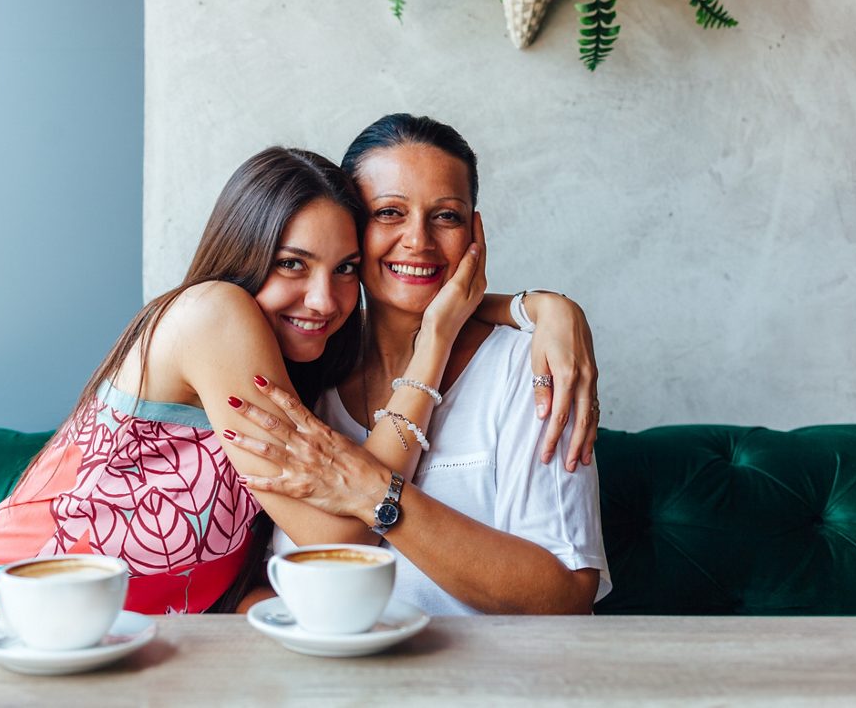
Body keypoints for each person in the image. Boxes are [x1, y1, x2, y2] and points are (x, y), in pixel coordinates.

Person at [0, 144, 599, 618]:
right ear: (245, 250)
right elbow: (344, 528)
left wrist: (529, 305)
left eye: (344, 269)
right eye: (292, 264)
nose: (323, 298)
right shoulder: (215, 315)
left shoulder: (302, 371)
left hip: (91, 655)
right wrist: (438, 340)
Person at [226, 115, 611, 614]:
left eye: (446, 216)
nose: (418, 240)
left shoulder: (528, 367)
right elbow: (247, 574)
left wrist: (374, 494)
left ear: (475, 231)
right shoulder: (300, 359)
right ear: (348, 228)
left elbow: (564, 596)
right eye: (389, 212)